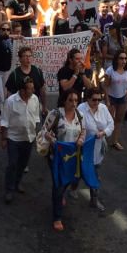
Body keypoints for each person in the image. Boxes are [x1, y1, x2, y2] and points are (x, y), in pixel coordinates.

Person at [39, 90, 85, 232]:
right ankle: (57, 217)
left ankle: (59, 197)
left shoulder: (79, 115)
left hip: (71, 157)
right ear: (64, 100)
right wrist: (52, 141)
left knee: (69, 181)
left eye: (76, 100)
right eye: (71, 100)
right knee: (58, 184)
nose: (74, 103)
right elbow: (44, 131)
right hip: (56, 156)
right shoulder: (56, 114)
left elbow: (83, 130)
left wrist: (81, 139)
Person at [0, 76, 41, 204]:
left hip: (28, 138)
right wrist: (3, 139)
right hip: (13, 138)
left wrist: (37, 135)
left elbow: (36, 118)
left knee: (23, 164)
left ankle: (17, 183)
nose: (33, 91)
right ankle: (9, 189)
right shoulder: (11, 101)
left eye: (33, 88)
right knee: (12, 164)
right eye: (30, 89)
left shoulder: (35, 99)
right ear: (22, 90)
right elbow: (4, 120)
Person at [78, 87, 114, 212]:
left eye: (100, 99)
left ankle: (93, 199)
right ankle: (73, 187)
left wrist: (104, 132)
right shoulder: (80, 109)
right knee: (81, 172)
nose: (97, 102)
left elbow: (111, 124)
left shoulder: (103, 108)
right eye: (94, 100)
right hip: (84, 148)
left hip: (98, 148)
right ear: (87, 99)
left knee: (94, 172)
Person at [5, 45, 47, 114]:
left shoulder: (37, 71)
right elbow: (9, 94)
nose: (28, 58)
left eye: (30, 56)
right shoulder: (14, 74)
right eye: (25, 56)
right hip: (18, 108)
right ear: (20, 59)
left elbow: (42, 90)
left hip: (35, 107)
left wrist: (44, 107)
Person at [102, 52, 127, 151]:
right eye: (121, 58)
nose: (123, 61)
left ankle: (115, 141)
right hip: (111, 97)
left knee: (118, 120)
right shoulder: (110, 70)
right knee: (108, 120)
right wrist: (107, 100)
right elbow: (106, 86)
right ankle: (102, 139)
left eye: (125, 59)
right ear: (116, 59)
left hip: (122, 98)